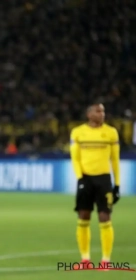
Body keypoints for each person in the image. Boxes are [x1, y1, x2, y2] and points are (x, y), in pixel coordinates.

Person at [69, 102, 120, 270]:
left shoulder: (111, 132)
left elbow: (115, 160)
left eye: (103, 111)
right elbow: (75, 158)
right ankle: (85, 260)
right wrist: (80, 178)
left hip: (104, 180)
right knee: (83, 217)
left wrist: (117, 184)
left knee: (105, 218)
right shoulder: (78, 132)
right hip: (86, 179)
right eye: (98, 111)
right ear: (89, 114)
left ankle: (106, 260)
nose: (102, 114)